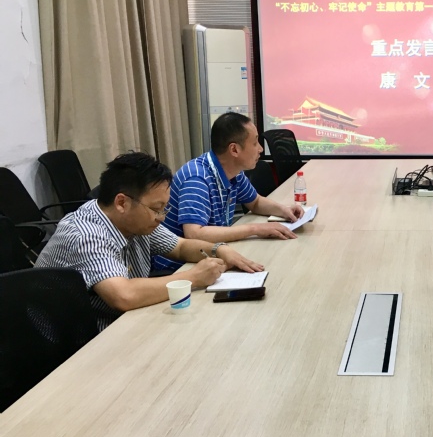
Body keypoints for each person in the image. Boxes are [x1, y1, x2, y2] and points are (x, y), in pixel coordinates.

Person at [35, 152, 263, 330]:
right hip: (74, 340)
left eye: (164, 208)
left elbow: (181, 247)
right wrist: (194, 277)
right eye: (156, 209)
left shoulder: (135, 220)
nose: (161, 217)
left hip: (121, 321)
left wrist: (219, 249)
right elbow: (124, 296)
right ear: (122, 203)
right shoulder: (86, 234)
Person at [153, 112, 304, 271]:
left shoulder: (233, 171)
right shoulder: (197, 178)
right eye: (255, 143)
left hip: (211, 254)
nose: (260, 149)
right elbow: (194, 234)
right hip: (180, 267)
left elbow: (255, 202)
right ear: (234, 149)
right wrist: (255, 229)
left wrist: (284, 210)